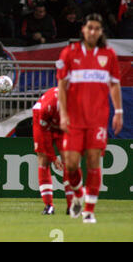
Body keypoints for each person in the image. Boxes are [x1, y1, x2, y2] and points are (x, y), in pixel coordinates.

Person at [57, 13, 123, 223]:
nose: (93, 31)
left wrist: (119, 112)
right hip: (74, 120)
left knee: (94, 162)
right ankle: (78, 194)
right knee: (71, 165)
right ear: (83, 30)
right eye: (90, 28)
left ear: (101, 31)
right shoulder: (70, 53)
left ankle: (89, 211)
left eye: (97, 28)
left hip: (97, 120)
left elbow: (114, 84)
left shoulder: (109, 54)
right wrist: (64, 114)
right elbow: (62, 86)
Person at [32, 87, 73, 215]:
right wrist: (53, 158)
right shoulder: (47, 108)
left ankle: (72, 206)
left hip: (63, 128)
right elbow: (44, 137)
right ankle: (48, 205)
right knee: (43, 159)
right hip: (43, 124)